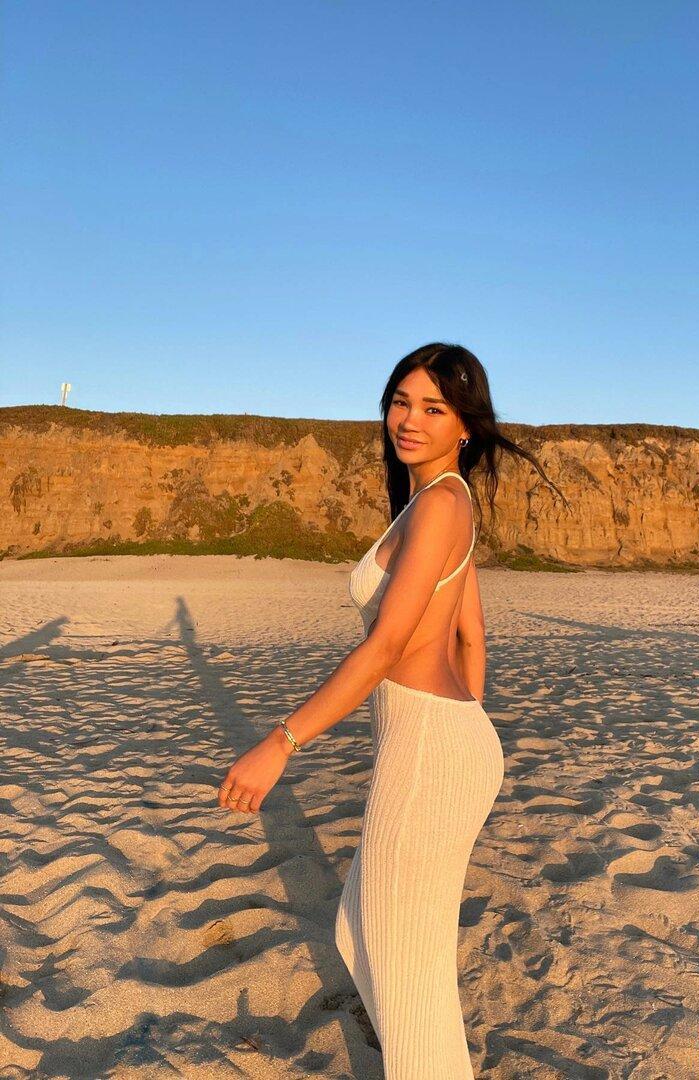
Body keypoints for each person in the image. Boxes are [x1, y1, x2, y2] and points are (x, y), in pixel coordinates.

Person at [217, 343, 568, 1078]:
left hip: (432, 748)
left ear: (465, 425)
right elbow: (471, 637)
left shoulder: (440, 504)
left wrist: (281, 742)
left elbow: (385, 648)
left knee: (406, 978)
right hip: (440, 741)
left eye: (434, 408)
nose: (410, 419)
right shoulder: (439, 501)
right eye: (401, 401)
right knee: (363, 934)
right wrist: (462, 724)